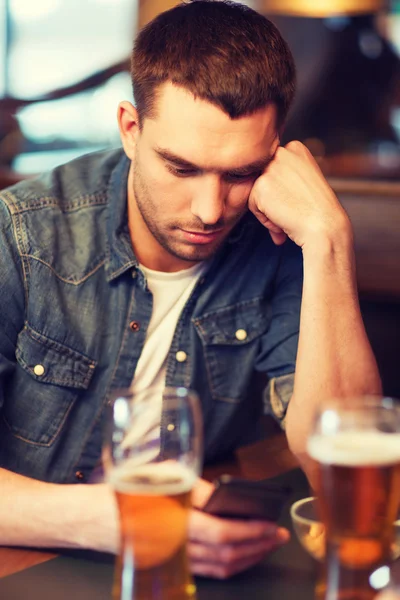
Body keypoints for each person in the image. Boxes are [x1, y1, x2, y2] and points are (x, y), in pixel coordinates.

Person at [0, 0, 381, 580]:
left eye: (240, 172)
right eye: (181, 169)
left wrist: (329, 239)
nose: (210, 211)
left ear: (275, 150)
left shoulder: (281, 240)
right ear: (130, 129)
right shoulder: (22, 234)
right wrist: (118, 518)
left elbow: (336, 462)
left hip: (188, 568)